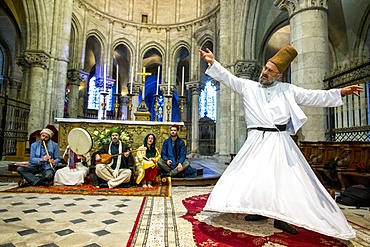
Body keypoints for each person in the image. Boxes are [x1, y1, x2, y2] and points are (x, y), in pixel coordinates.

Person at [199, 45, 362, 240]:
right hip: (256, 141)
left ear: (278, 76)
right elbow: (229, 78)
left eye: (270, 71)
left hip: (279, 141)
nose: (264, 72)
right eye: (265, 68)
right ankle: (260, 210)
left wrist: (340, 93)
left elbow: (313, 96)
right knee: (256, 178)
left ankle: (281, 218)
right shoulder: (249, 87)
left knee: (282, 180)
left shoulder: (288, 90)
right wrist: (213, 62)